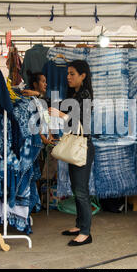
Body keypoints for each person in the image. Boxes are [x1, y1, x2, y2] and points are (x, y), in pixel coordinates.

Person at [48, 60, 95, 246]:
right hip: (76, 144)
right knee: (77, 189)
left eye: (72, 73)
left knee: (81, 191)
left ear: (83, 76)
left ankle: (86, 232)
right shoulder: (75, 94)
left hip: (82, 146)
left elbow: (82, 122)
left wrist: (61, 115)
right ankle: (79, 225)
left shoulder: (85, 95)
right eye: (68, 73)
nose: (68, 77)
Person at [21, 70, 56, 146]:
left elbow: (47, 118)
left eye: (45, 82)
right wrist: (43, 138)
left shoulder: (42, 100)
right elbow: (33, 122)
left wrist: (50, 135)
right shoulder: (31, 101)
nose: (45, 84)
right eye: (43, 82)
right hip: (37, 142)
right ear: (35, 84)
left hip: (45, 140)